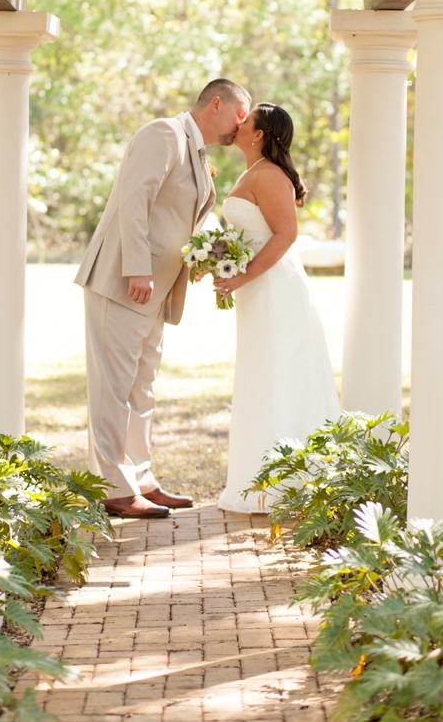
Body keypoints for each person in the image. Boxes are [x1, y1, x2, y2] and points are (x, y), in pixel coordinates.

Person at [75, 79, 251, 518]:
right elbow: (136, 200)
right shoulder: (163, 134)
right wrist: (138, 266)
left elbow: (176, 217)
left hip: (155, 291)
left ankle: (142, 479)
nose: (241, 126)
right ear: (217, 105)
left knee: (141, 386)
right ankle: (114, 488)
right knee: (112, 386)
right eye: (239, 115)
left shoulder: (196, 151)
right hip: (124, 280)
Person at [215, 102, 341, 514]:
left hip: (274, 289)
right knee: (262, 375)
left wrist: (241, 275)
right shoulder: (253, 173)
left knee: (277, 376)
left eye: (246, 120)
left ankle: (285, 483)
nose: (238, 123)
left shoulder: (268, 175)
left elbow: (286, 235)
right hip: (257, 290)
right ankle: (265, 476)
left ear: (259, 135)